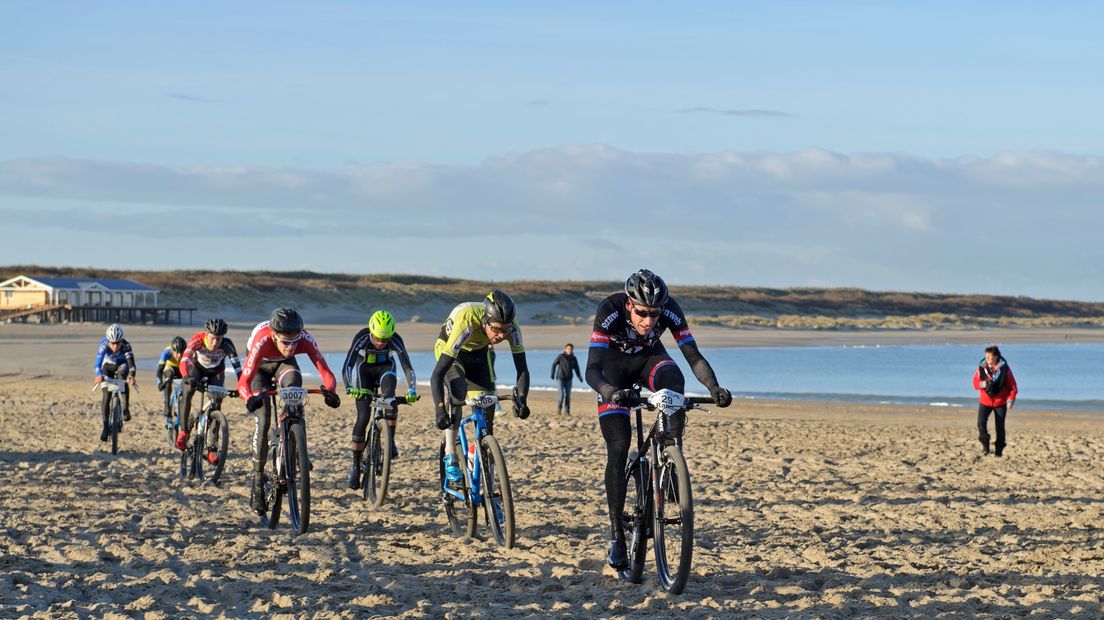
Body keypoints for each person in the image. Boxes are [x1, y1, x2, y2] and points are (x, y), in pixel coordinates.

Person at [585, 268, 732, 570]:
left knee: (673, 380)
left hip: (649, 360)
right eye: (642, 313)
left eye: (654, 315)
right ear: (629, 304)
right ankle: (616, 536)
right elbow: (592, 369)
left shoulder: (670, 311)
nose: (649, 321)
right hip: (612, 371)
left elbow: (692, 356)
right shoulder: (609, 311)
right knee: (618, 445)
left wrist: (714, 387)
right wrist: (611, 393)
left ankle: (668, 453)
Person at [237, 308, 340, 515]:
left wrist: (330, 391)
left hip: (283, 367)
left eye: (295, 342)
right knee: (264, 419)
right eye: (285, 342)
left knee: (294, 389)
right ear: (274, 336)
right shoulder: (261, 341)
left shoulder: (305, 339)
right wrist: (249, 398)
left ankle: (294, 445)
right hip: (260, 368)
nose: (291, 348)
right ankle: (257, 481)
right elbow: (243, 382)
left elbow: (325, 371)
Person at [430, 290, 530, 485]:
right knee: (458, 390)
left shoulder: (512, 327)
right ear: (485, 321)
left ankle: (490, 484)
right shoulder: (468, 321)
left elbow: (523, 370)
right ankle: (450, 454)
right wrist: (439, 409)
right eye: (496, 329)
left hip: (478, 355)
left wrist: (522, 399)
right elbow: (436, 375)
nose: (501, 335)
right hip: (451, 352)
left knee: (487, 417)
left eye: (505, 330)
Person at [340, 310, 418, 489]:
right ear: (371, 332)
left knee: (390, 399)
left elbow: (407, 367)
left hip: (385, 369)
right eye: (377, 339)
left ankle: (390, 441)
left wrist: (412, 388)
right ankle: (355, 466)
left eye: (385, 340)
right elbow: (348, 365)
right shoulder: (362, 337)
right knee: (363, 417)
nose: (381, 343)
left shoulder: (396, 339)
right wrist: (349, 387)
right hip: (364, 370)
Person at [174, 318, 244, 457]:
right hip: (197, 370)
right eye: (212, 338)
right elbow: (184, 361)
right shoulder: (197, 340)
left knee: (216, 404)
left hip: (216, 373)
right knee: (187, 391)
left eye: (219, 339)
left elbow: (238, 370)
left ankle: (212, 448)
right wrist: (186, 377)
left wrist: (242, 387)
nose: (215, 343)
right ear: (206, 334)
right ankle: (183, 432)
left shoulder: (227, 345)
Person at [94, 323, 138, 441]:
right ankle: (105, 427)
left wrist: (132, 376)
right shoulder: (103, 345)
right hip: (107, 366)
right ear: (108, 341)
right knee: (106, 395)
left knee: (122, 377)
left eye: (118, 343)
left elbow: (131, 364)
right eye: (112, 343)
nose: (115, 346)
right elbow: (98, 364)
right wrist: (99, 375)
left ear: (121, 341)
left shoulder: (126, 345)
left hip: (121, 365)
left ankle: (125, 409)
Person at [972, 345, 1018, 457]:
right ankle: (985, 446)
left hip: (1000, 402)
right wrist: (982, 384)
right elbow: (974, 383)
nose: (987, 358)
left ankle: (999, 451)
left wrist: (1011, 399)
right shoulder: (981, 368)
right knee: (980, 424)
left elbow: (1013, 386)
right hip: (985, 401)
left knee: (1000, 427)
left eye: (989, 356)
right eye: (986, 356)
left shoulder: (1005, 369)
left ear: (996, 356)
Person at [156, 336, 186, 420]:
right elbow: (159, 370)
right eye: (177, 353)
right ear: (173, 350)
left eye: (181, 353)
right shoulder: (166, 353)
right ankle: (167, 405)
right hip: (170, 368)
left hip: (181, 368)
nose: (179, 356)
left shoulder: (187, 353)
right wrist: (159, 383)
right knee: (168, 379)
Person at [550, 343, 583, 414]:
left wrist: (579, 377)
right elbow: (554, 364)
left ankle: (567, 411)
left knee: (568, 396)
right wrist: (552, 374)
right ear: (565, 349)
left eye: (571, 349)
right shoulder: (561, 356)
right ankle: (559, 410)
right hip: (560, 378)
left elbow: (577, 368)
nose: (569, 350)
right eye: (568, 349)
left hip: (569, 379)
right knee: (561, 395)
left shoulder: (574, 358)